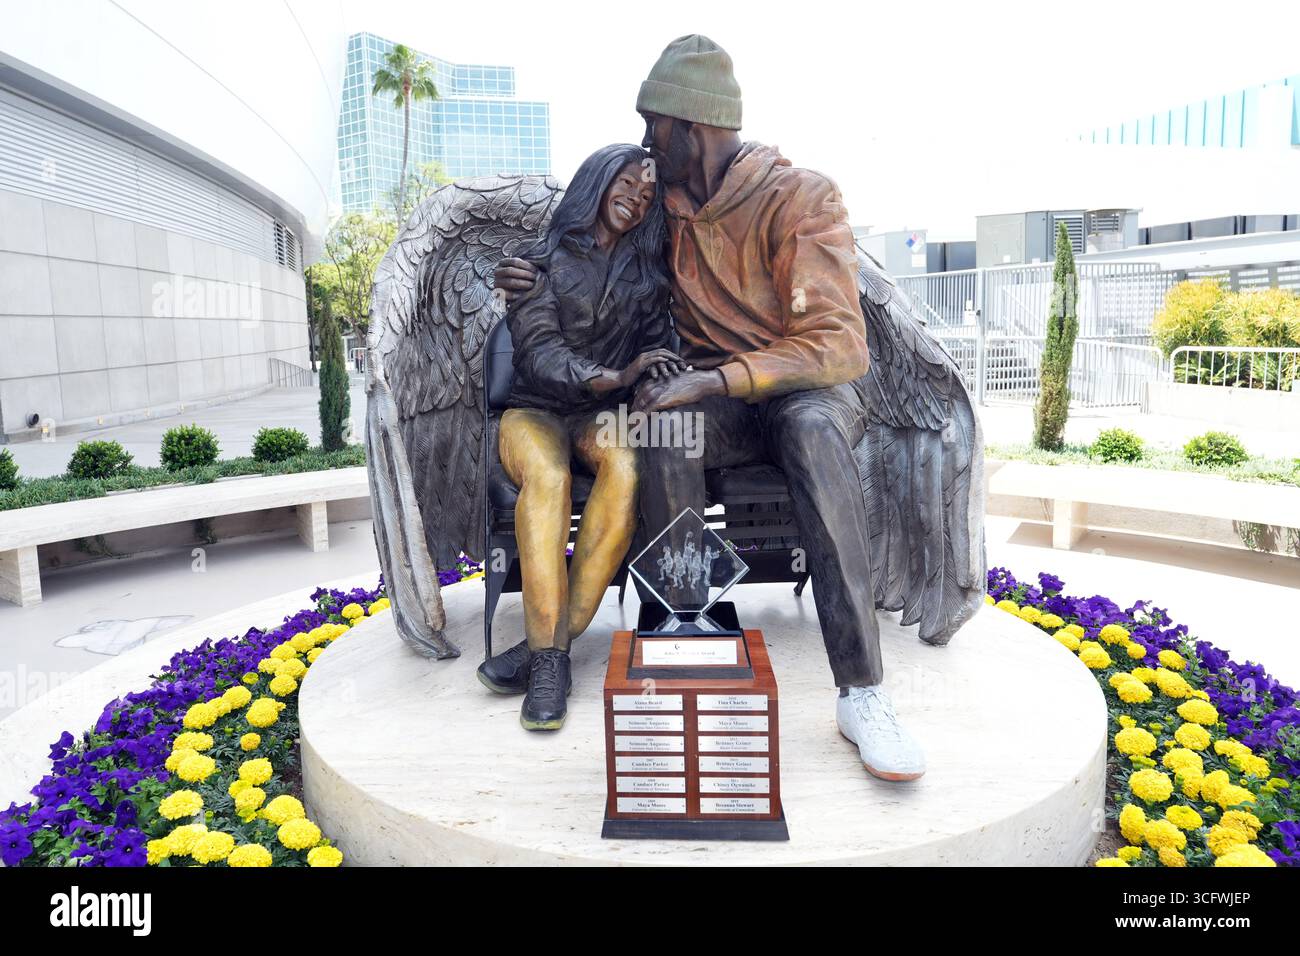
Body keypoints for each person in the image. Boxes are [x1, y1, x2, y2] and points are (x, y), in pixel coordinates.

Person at [495, 36, 927, 779]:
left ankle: (863, 693)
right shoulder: (663, 206)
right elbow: (590, 231)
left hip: (804, 392)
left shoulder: (803, 198)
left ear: (688, 128)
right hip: (709, 399)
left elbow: (839, 345)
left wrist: (715, 379)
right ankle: (681, 639)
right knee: (663, 425)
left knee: (815, 436)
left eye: (652, 129)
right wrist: (523, 271)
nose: (643, 145)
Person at [480, 143, 685, 732]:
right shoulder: (536, 261)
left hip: (603, 413)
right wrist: (615, 376)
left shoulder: (648, 277)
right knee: (549, 476)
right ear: (597, 181)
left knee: (627, 464)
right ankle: (551, 664)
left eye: (647, 196)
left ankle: (547, 649)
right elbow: (541, 354)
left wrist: (661, 372)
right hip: (534, 411)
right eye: (626, 183)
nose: (636, 199)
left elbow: (657, 345)